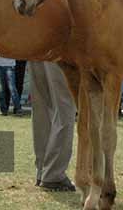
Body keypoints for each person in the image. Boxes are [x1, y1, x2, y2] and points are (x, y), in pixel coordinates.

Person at [29, 61, 76, 191]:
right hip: (58, 44)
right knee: (64, 103)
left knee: (41, 106)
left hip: (33, 45)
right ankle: (53, 174)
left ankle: (42, 170)